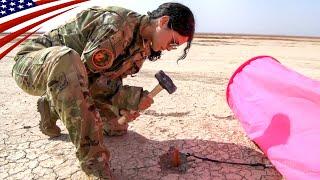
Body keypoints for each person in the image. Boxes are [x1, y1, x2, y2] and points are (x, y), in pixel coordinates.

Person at [12, 2, 195, 179]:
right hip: (33, 65)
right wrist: (130, 97)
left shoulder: (143, 46)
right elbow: (87, 78)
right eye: (172, 42)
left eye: (175, 47)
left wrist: (124, 106)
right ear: (163, 22)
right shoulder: (117, 26)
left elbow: (110, 79)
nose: (170, 49)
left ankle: (51, 105)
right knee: (67, 59)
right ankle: (94, 164)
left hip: (71, 79)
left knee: (117, 127)